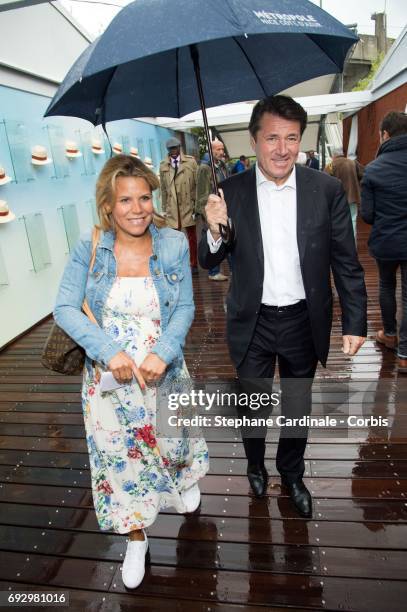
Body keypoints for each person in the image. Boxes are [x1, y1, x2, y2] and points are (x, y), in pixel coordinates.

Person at [198, 95, 367, 517]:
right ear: (254, 141)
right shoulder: (229, 193)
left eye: (291, 137)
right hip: (251, 320)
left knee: (297, 403)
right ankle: (255, 464)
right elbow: (208, 259)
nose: (282, 148)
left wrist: (356, 321)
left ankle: (291, 472)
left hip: (301, 318)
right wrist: (216, 229)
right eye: (272, 137)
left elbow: (346, 260)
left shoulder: (324, 189)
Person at [54, 155, 209, 589]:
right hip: (110, 382)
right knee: (121, 461)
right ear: (108, 204)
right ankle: (136, 536)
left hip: (164, 369)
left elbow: (184, 306)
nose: (137, 208)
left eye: (144, 197)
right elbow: (65, 307)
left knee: (174, 437)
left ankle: (183, 478)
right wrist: (109, 352)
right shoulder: (90, 246)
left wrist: (164, 350)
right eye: (126, 200)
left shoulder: (174, 243)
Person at [360, 111, 407, 372]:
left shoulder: (374, 169)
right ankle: (405, 354)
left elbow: (367, 215)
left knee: (387, 286)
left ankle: (389, 334)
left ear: (385, 135)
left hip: (386, 242)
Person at [159, 137, 198, 272]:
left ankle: (193, 264)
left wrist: (196, 206)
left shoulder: (191, 162)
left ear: (179, 148)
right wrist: (164, 209)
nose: (173, 151)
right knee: (174, 238)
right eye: (170, 149)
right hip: (172, 207)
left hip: (188, 205)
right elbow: (163, 189)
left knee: (192, 237)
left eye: (175, 148)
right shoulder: (163, 165)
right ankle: (178, 264)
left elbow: (197, 185)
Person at [196, 140, 229, 281]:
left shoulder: (221, 165)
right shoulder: (204, 168)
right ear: (211, 150)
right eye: (218, 149)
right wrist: (207, 213)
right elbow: (202, 194)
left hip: (224, 208)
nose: (222, 152)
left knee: (227, 238)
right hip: (211, 211)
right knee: (212, 238)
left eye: (222, 149)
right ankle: (213, 271)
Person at [324, 148, 364, 239]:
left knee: (338, 221)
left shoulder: (330, 165)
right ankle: (353, 243)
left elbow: (325, 182)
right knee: (353, 220)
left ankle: (342, 242)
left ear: (333, 155)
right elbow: (364, 174)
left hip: (337, 199)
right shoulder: (353, 163)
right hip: (352, 197)